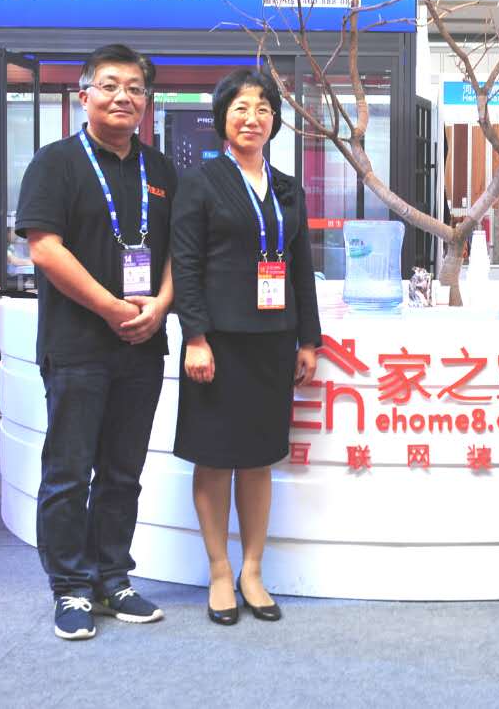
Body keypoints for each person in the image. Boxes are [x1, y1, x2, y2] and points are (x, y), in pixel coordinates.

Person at [15, 44, 178, 641]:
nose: (122, 97)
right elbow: (44, 248)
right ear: (83, 95)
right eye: (109, 85)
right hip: (77, 345)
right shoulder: (55, 162)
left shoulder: (161, 170)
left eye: (134, 88)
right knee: (68, 470)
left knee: (123, 471)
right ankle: (70, 587)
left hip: (142, 346)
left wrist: (161, 304)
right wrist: (110, 307)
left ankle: (113, 578)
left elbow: (180, 252)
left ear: (146, 101)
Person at [171, 68, 320, 626]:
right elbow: (185, 265)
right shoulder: (201, 182)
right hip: (216, 344)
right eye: (240, 108)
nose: (252, 118)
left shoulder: (286, 187)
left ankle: (252, 571)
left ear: (274, 120)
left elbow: (300, 267)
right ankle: (218, 572)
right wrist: (195, 337)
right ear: (222, 119)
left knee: (259, 459)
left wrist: (308, 339)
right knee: (214, 459)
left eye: (263, 108)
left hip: (273, 344)